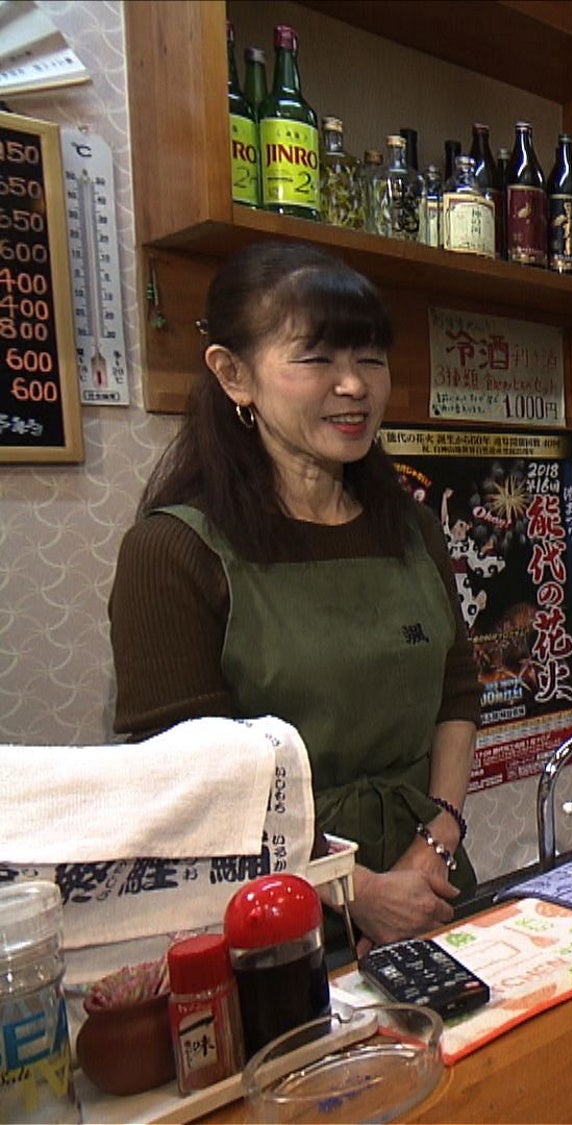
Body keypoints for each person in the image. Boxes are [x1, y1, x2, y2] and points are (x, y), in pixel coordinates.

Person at [109, 241, 476, 952]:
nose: (355, 386)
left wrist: (436, 839)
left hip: (432, 890)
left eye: (370, 356)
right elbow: (189, 790)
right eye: (318, 359)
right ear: (233, 374)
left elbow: (457, 692)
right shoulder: (172, 553)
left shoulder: (414, 531)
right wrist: (358, 892)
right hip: (274, 931)